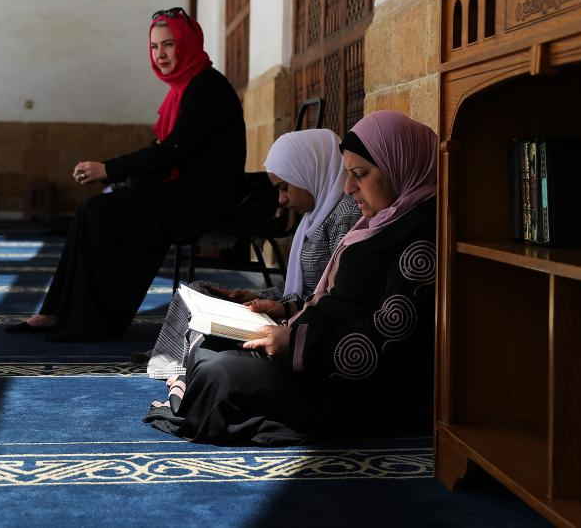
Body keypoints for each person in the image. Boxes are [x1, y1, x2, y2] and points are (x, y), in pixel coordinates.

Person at [143, 110, 438, 445]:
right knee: (208, 348)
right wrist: (287, 316)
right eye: (348, 175)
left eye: (360, 174)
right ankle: (199, 393)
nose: (348, 188)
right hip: (308, 348)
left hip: (346, 382)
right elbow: (333, 297)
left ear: (399, 165)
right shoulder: (378, 220)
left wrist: (297, 344)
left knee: (217, 373)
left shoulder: (420, 238)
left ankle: (196, 394)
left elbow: (392, 335)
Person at [7, 8, 246, 341]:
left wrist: (109, 170)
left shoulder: (206, 87)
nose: (160, 54)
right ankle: (56, 311)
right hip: (183, 191)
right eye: (154, 47)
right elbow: (166, 151)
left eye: (169, 44)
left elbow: (172, 152)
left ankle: (91, 321)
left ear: (187, 44)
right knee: (90, 211)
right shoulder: (185, 87)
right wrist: (115, 174)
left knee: (100, 213)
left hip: (203, 200)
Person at [145, 128, 361, 379]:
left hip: (302, 321)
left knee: (209, 326)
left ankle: (182, 368)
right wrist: (255, 296)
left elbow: (327, 298)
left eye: (284, 187)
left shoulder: (344, 216)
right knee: (198, 290)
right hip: (290, 307)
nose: (281, 200)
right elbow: (302, 286)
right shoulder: (313, 218)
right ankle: (174, 362)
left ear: (309, 172)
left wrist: (277, 307)